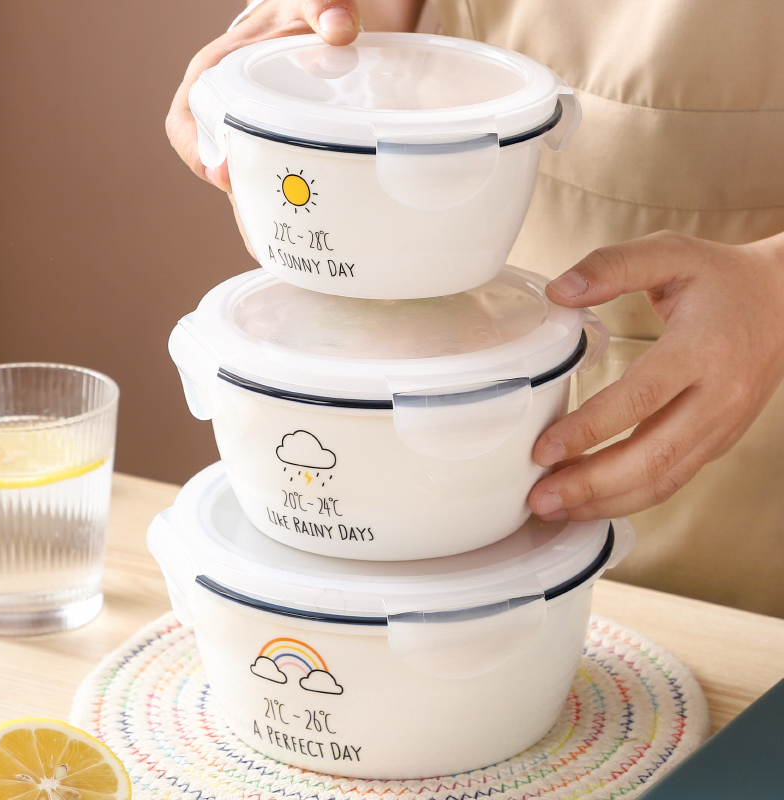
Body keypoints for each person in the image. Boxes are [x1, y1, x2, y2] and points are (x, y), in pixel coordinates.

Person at [167, 0, 784, 615]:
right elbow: (373, 18)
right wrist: (324, 49)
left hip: (746, 348)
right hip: (472, 285)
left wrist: (772, 289)